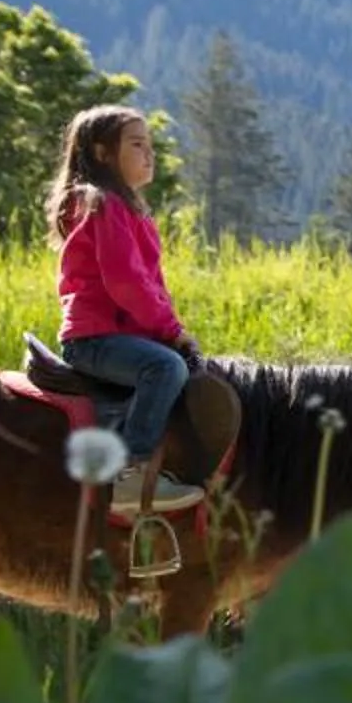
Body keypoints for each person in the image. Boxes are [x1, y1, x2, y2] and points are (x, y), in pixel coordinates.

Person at [50, 104, 205, 513]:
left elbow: (152, 284)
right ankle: (132, 474)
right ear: (103, 153)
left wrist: (172, 326)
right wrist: (171, 333)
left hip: (119, 334)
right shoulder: (102, 204)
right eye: (137, 145)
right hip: (96, 338)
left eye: (150, 145)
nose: (149, 154)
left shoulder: (128, 209)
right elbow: (126, 283)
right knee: (165, 368)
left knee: (179, 364)